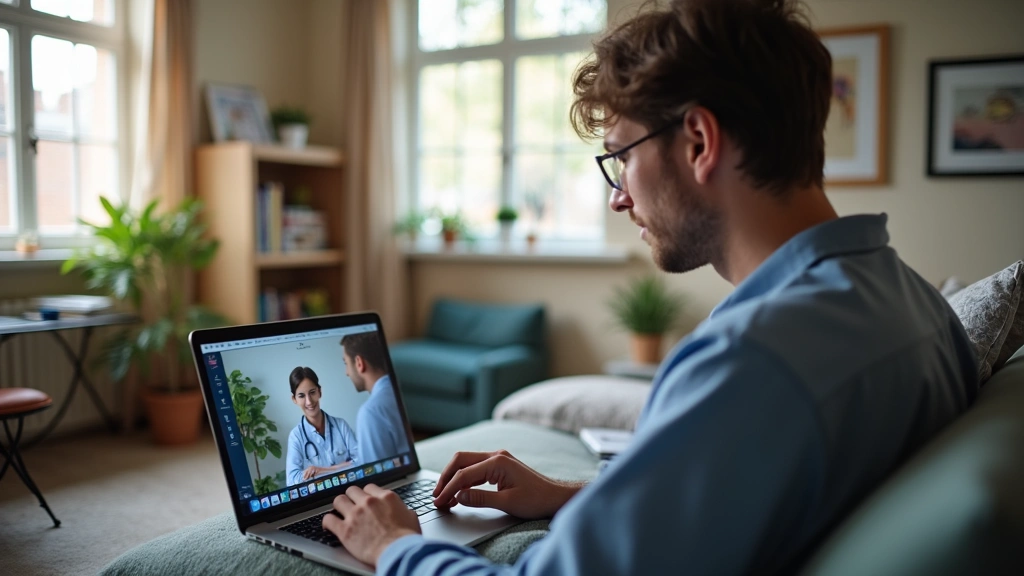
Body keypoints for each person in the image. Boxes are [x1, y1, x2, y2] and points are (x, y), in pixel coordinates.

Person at [321, 1, 978, 573]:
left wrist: (396, 545)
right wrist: (571, 494)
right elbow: (746, 497)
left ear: (698, 140)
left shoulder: (749, 362)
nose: (616, 199)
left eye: (622, 158)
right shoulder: (915, 303)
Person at [340, 332, 410, 465]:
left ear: (359, 363)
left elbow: (376, 475)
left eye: (346, 363)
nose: (346, 372)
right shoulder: (396, 391)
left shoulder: (371, 411)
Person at [285, 366, 358, 487]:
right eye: (301, 396)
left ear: (320, 391)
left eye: (312, 392)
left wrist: (320, 470)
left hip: (352, 487)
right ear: (294, 399)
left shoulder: (341, 426)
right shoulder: (296, 436)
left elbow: (363, 461)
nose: (309, 402)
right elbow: (292, 481)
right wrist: (344, 466)